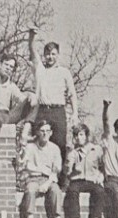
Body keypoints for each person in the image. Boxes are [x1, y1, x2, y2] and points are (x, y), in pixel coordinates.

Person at [0, 33, 36, 182]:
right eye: (6, 65)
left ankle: (25, 133)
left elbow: (23, 100)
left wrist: (30, 96)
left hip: (6, 115)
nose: (9, 69)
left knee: (34, 99)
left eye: (12, 67)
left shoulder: (12, 86)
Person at [28, 27, 79, 188]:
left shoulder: (64, 72)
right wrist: (32, 37)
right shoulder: (40, 70)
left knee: (60, 144)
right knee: (39, 143)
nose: (50, 57)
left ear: (58, 55)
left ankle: (61, 182)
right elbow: (32, 51)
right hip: (43, 110)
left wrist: (75, 113)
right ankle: (37, 177)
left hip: (58, 111)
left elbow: (72, 94)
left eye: (53, 54)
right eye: (48, 54)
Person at [62, 123, 106, 218]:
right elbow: (66, 173)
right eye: (76, 135)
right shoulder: (73, 152)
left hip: (93, 180)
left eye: (81, 134)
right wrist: (71, 167)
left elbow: (105, 167)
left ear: (86, 136)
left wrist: (101, 176)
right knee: (72, 192)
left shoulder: (97, 149)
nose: (78, 137)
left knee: (100, 192)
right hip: (78, 180)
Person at [18, 120, 63, 218]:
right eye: (42, 131)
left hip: (48, 178)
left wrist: (48, 183)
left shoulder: (54, 148)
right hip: (33, 177)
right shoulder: (31, 147)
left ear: (51, 133)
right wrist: (22, 149)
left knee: (56, 190)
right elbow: (22, 164)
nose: (44, 134)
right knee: (30, 190)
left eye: (47, 131)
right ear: (37, 132)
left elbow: (56, 170)